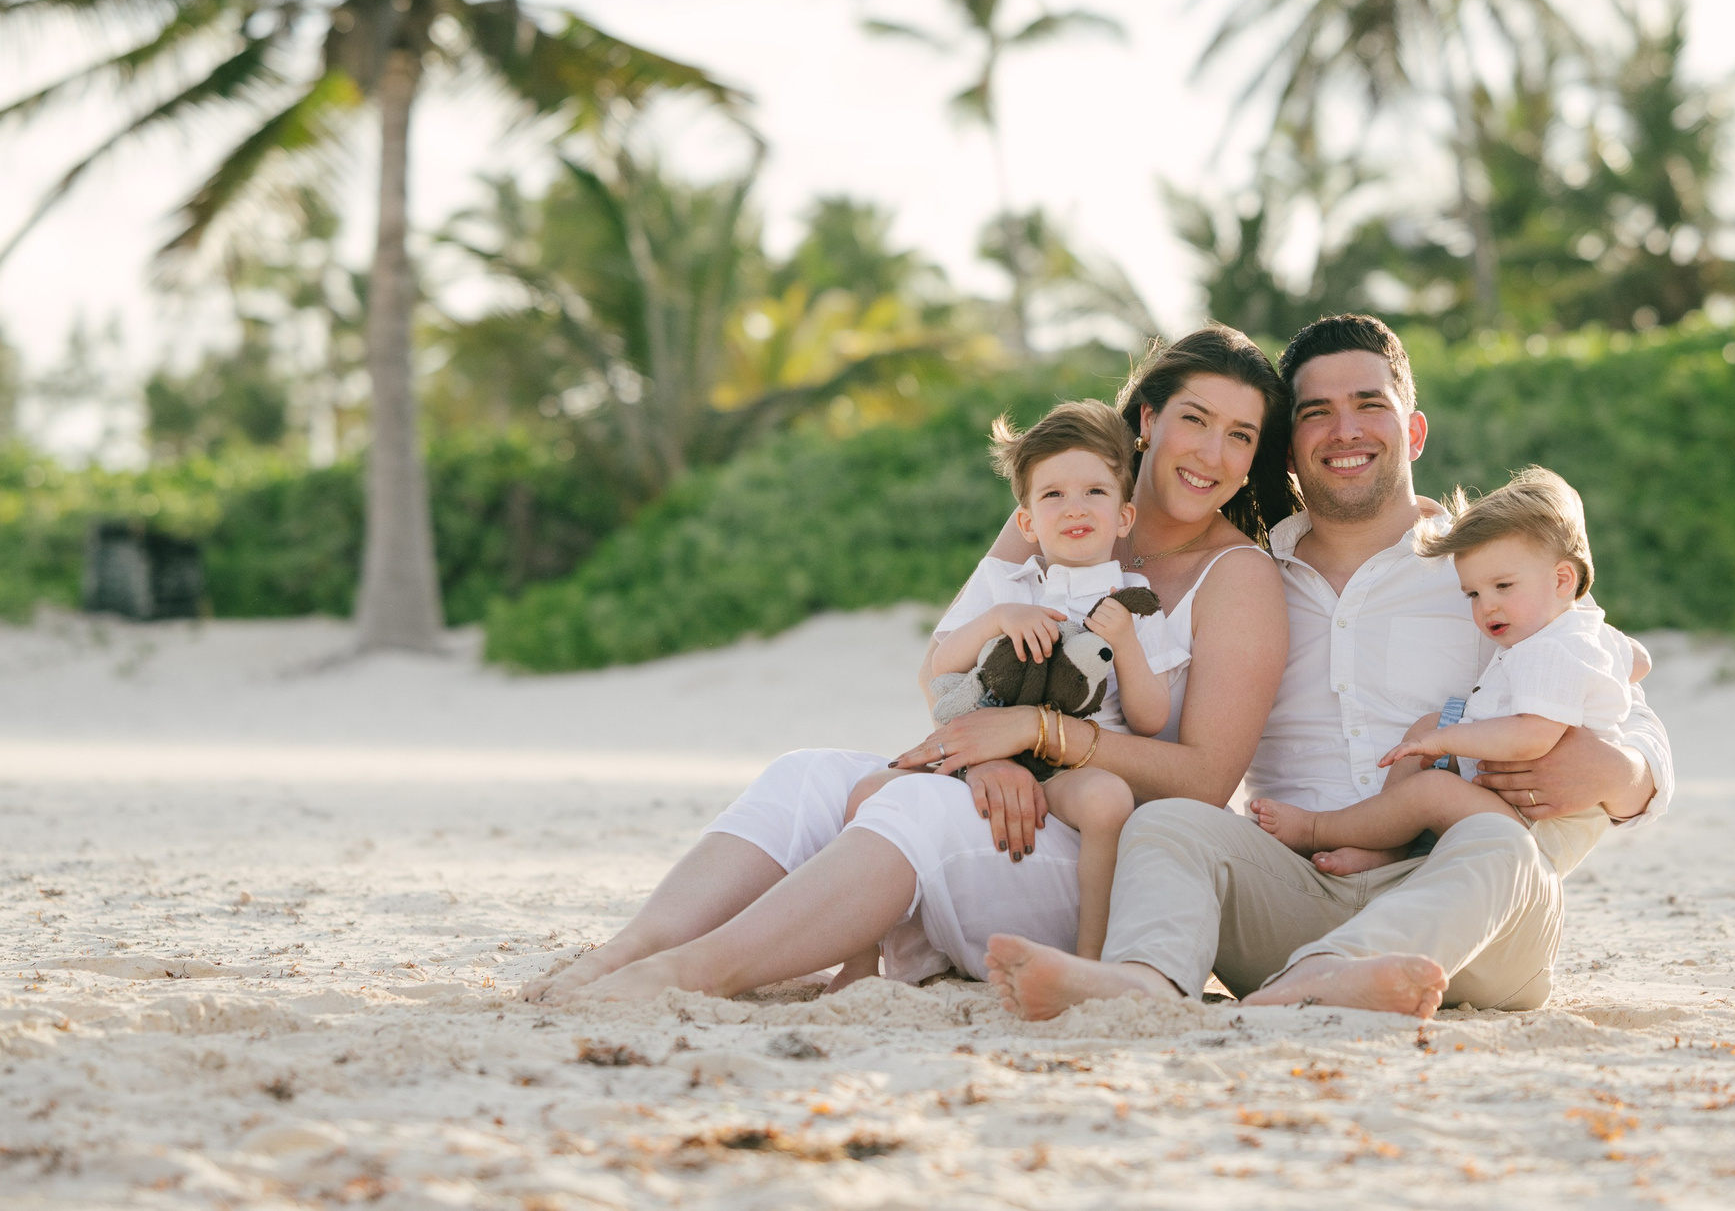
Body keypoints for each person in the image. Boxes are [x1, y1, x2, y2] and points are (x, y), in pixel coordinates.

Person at [522, 325, 1294, 1004]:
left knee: (913, 809)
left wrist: (1036, 734)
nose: (1211, 453)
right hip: (1012, 803)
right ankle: (630, 950)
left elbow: (1203, 783)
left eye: (1241, 436)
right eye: (1195, 420)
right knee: (810, 775)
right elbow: (941, 668)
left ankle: (697, 971)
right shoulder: (1059, 505)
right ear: (1150, 420)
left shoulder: (1239, 577)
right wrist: (984, 760)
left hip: (1102, 857)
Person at [984, 314, 1676, 1022]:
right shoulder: (1245, 579)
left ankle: (1340, 972)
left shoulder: (1487, 572)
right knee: (1169, 827)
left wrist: (1626, 776)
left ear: (1413, 433)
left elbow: (1622, 703)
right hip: (1290, 895)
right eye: (1317, 414)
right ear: (1287, 451)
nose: (1345, 431)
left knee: (1500, 842)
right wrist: (1002, 753)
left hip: (1467, 918)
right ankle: (1148, 984)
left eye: (1369, 405)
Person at [855, 399, 1187, 960]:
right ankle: (860, 961)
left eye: (1095, 492)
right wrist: (997, 619)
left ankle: (1090, 956)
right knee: (868, 792)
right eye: (1053, 494)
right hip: (988, 749)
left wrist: (1125, 645)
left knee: (1108, 800)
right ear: (1027, 522)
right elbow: (942, 666)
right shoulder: (1006, 582)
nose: (1074, 507)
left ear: (1124, 516)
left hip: (1076, 766)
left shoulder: (1138, 604)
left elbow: (1152, 720)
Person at [1247, 465, 1647, 877]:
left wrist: (1445, 741)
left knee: (1432, 787)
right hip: (1497, 780)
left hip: (1533, 816)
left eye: (1503, 587)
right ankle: (1386, 844)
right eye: (1473, 594)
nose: (1486, 605)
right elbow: (1640, 662)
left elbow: (1531, 738)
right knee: (1426, 726)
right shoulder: (1578, 632)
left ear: (1564, 579)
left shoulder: (1550, 649)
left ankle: (1319, 828)